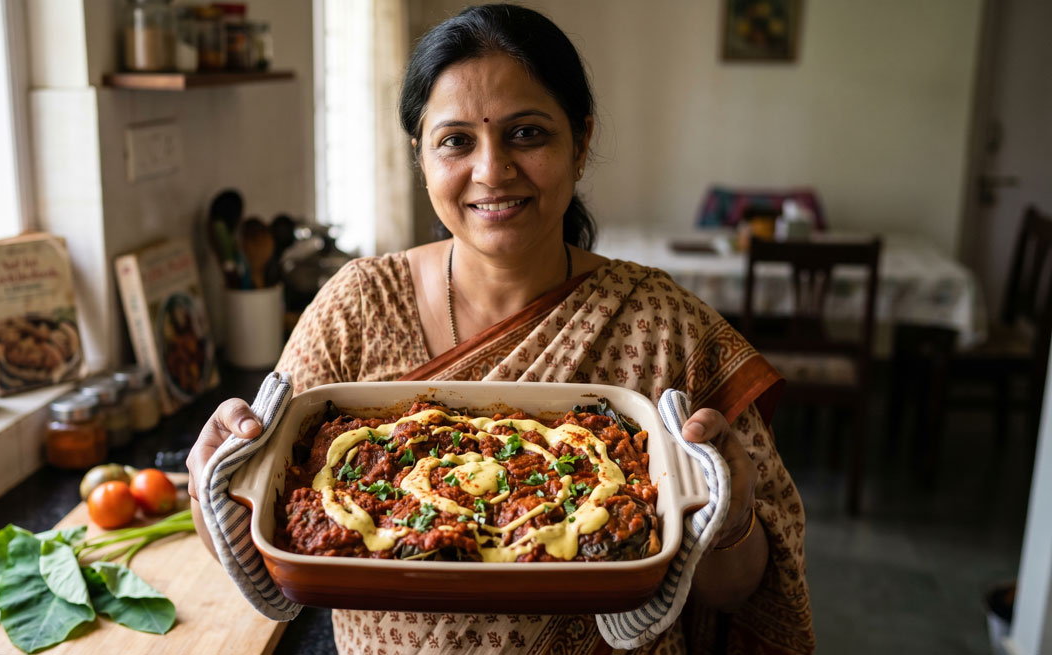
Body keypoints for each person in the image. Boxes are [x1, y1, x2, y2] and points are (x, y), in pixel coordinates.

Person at [188, 4, 815, 654]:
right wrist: (213, 483)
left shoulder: (665, 327)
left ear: (581, 140)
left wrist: (731, 516)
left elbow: (744, 592)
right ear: (421, 157)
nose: (491, 170)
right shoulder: (355, 307)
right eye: (457, 140)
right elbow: (265, 547)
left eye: (527, 134)